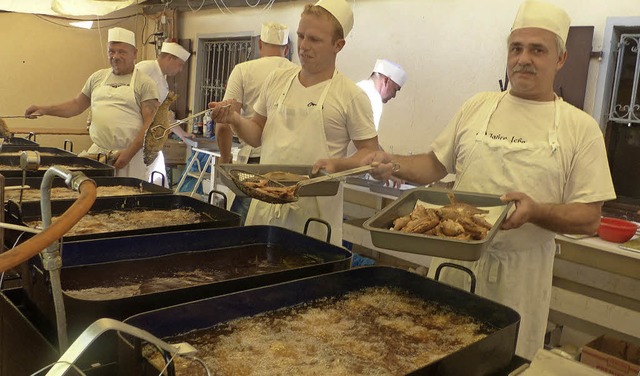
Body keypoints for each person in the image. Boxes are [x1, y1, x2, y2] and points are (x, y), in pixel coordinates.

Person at [363, 0, 615, 360]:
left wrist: (536, 211)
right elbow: (434, 165)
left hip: (520, 279)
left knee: (499, 363)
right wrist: (393, 162)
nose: (523, 58)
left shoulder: (581, 128)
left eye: (537, 50)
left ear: (560, 59)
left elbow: (590, 216)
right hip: (455, 266)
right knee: (436, 355)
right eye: (516, 48)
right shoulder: (477, 106)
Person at [209, 0, 379, 245]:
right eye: (301, 36)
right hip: (265, 207)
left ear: (338, 45)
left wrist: (338, 164)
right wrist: (234, 119)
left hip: (313, 220)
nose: (304, 46)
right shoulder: (277, 80)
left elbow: (370, 152)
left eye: (315, 39)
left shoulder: (350, 96)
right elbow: (257, 133)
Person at [25, 27, 160, 180]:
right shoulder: (97, 77)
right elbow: (76, 105)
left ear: (134, 53)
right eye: (111, 51)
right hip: (97, 155)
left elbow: (150, 126)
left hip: (130, 157)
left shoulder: (145, 83)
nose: (115, 56)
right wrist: (43, 109)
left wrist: (128, 153)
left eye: (122, 52)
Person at [216, 22, 297, 224]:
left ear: (260, 44)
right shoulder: (297, 73)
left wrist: (225, 159)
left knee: (242, 225)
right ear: (286, 49)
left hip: (253, 163)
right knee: (280, 225)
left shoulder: (243, 70)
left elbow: (224, 122)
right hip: (288, 165)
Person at [136, 41, 194, 186]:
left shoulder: (163, 80)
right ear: (169, 58)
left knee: (157, 182)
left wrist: (183, 135)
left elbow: (163, 114)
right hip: (135, 135)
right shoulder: (145, 69)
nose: (181, 70)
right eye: (180, 64)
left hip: (150, 142)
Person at [357, 58, 407, 131]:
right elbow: (365, 139)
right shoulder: (374, 99)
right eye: (395, 90)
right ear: (386, 81)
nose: (394, 95)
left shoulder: (358, 87)